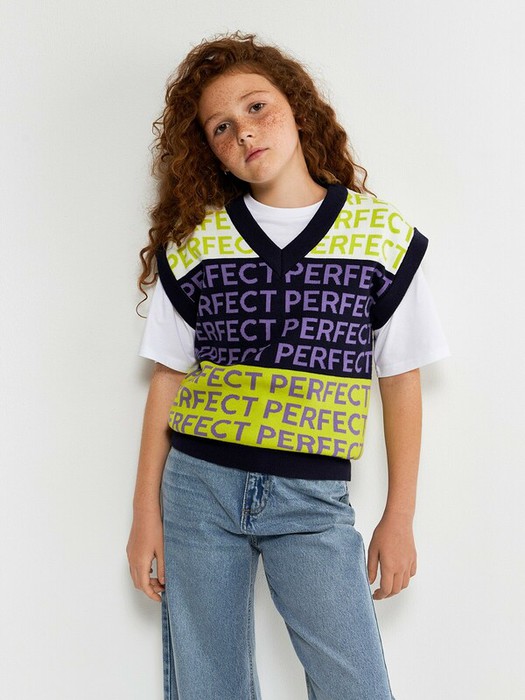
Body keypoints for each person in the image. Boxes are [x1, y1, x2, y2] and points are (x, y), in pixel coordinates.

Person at [126, 32, 449, 700]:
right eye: (220, 126)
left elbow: (400, 379)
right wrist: (144, 515)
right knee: (208, 686)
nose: (243, 131)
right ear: (209, 149)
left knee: (355, 686)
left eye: (256, 107)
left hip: (311, 500)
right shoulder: (196, 243)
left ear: (297, 109)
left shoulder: (381, 238)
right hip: (197, 490)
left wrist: (399, 517)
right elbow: (169, 377)